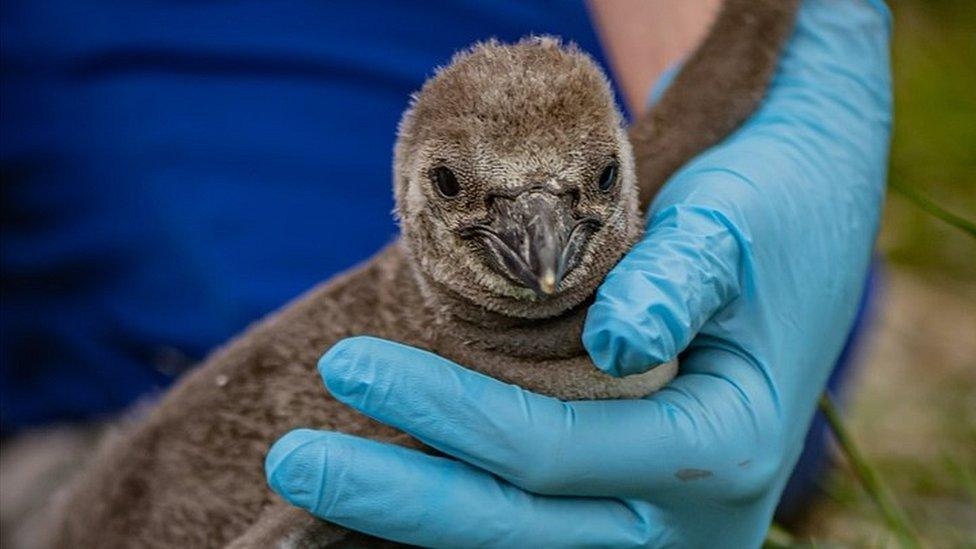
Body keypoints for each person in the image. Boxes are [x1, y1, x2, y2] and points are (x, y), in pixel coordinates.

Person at [0, 0, 890, 545]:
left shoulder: (687, 223)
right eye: (465, 193)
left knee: (748, 368)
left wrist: (812, 91)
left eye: (599, 182)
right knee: (185, 285)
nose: (544, 249)